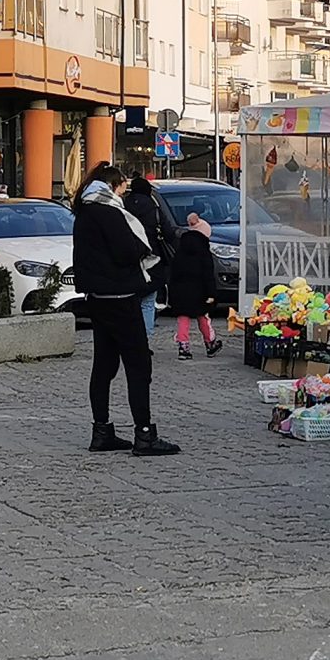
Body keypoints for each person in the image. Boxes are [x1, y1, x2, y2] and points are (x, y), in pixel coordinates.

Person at [73, 161, 178, 455]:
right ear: (113, 186)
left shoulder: (83, 211)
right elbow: (125, 251)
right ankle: (144, 435)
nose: (124, 193)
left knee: (104, 365)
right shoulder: (110, 213)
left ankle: (101, 430)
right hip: (120, 296)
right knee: (138, 364)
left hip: (97, 298)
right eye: (122, 187)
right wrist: (141, 251)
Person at [167, 211, 223, 358]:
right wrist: (211, 293)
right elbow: (208, 275)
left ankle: (183, 347)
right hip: (200, 291)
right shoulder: (204, 252)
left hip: (180, 290)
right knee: (203, 317)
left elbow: (173, 272)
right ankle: (210, 343)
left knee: (183, 318)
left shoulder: (180, 249)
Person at [124, 168, 169, 333]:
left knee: (130, 301)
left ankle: (131, 335)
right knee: (148, 302)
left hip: (128, 259)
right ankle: (145, 339)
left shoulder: (122, 208)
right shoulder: (155, 209)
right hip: (152, 259)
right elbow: (168, 233)